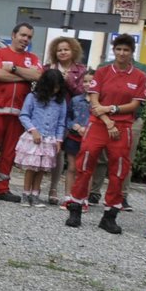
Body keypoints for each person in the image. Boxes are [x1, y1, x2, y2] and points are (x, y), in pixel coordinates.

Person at [66, 34, 146, 233]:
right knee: (84, 165)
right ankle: (75, 209)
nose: (121, 53)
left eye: (126, 50)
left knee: (119, 171)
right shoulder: (102, 72)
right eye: (118, 49)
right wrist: (107, 121)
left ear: (132, 52)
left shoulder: (139, 76)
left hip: (122, 128)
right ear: (114, 50)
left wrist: (111, 110)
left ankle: (110, 216)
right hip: (99, 125)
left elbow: (135, 104)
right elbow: (94, 101)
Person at [0, 22, 42, 202]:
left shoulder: (33, 58)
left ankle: (1, 189)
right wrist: (24, 76)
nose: (25, 39)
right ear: (13, 35)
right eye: (23, 35)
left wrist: (12, 68)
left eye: (29, 37)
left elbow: (37, 76)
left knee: (10, 153)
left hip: (19, 114)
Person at [15, 67, 72, 207]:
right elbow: (24, 115)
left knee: (42, 168)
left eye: (58, 87)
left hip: (49, 139)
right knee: (32, 167)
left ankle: (35, 194)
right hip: (33, 138)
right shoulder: (32, 97)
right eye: (53, 87)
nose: (55, 90)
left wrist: (59, 139)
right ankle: (26, 194)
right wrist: (33, 130)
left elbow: (61, 122)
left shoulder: (61, 101)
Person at [44, 36, 88, 203]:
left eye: (66, 49)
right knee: (50, 152)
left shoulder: (81, 70)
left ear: (73, 51)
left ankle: (62, 191)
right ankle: (44, 187)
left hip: (72, 118)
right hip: (50, 114)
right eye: (59, 49)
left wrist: (67, 79)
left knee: (65, 154)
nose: (62, 52)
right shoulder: (48, 67)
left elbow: (81, 93)